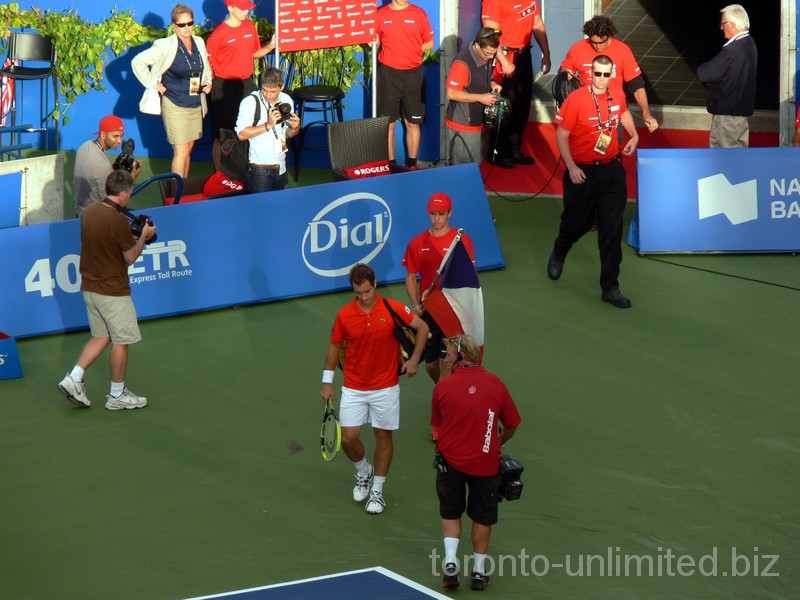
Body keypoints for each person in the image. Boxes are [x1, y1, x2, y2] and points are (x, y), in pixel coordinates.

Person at [320, 263, 429, 515]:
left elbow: (422, 328)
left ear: (375, 284)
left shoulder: (392, 307)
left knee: (383, 437)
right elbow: (334, 347)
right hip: (354, 387)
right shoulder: (345, 315)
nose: (364, 297)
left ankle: (377, 491)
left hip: (386, 387)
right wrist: (327, 381)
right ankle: (363, 471)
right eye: (358, 293)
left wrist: (413, 360)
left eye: (367, 291)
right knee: (347, 437)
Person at [57, 170, 156, 411]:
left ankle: (74, 378)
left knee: (101, 336)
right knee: (121, 341)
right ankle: (117, 395)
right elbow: (131, 257)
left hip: (90, 287)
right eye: (129, 193)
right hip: (112, 291)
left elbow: (106, 240)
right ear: (123, 194)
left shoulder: (90, 212)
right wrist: (143, 236)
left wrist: (131, 234)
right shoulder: (117, 221)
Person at [546, 55, 639, 308]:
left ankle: (610, 287)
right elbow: (562, 136)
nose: (601, 79)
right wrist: (572, 167)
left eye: (606, 75)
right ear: (590, 74)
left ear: (611, 75)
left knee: (611, 230)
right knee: (577, 223)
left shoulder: (616, 93)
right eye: (597, 74)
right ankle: (560, 248)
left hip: (611, 171)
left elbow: (623, 113)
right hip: (582, 173)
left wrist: (635, 134)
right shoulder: (576, 100)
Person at [432, 334, 521, 591]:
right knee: (482, 516)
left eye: (448, 353)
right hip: (485, 462)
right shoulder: (496, 384)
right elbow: (512, 423)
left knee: (451, 510)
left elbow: (438, 423)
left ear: (461, 356)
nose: (445, 358)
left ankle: (450, 563)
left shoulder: (443, 387)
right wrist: (499, 441)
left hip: (450, 461)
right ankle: (479, 573)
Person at [132, 3, 212, 178]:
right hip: (175, 103)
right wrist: (153, 83)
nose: (187, 28)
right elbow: (137, 62)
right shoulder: (164, 45)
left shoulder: (198, 41)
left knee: (189, 147)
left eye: (190, 23)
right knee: (181, 149)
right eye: (182, 25)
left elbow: (206, 67)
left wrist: (208, 81)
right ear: (174, 26)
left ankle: (183, 187)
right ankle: (176, 191)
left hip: (195, 102)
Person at [403, 192, 475, 385]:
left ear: (450, 213)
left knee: (448, 360)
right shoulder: (417, 243)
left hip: (453, 311)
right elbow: (410, 277)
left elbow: (467, 278)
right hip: (428, 311)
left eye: (441, 214)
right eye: (433, 213)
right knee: (431, 365)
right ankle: (442, 387)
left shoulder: (462, 242)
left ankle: (446, 395)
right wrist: (414, 303)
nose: (436, 218)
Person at [206, 0, 275, 171]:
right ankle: (219, 175)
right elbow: (209, 64)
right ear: (230, 8)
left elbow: (254, 53)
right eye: (242, 8)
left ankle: (245, 171)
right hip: (223, 87)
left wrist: (270, 46)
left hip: (246, 85)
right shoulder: (218, 35)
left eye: (248, 8)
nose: (246, 11)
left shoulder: (250, 27)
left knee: (247, 129)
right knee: (221, 134)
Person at [481, 0, 551, 168]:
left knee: (522, 105)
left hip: (524, 55)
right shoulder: (493, 2)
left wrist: (546, 54)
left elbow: (537, 23)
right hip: (504, 57)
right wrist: (504, 61)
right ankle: (497, 153)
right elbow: (490, 34)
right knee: (503, 107)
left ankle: (514, 150)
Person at [560, 15, 658, 133]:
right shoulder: (577, 49)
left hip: (613, 109)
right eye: (594, 42)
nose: (598, 46)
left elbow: (636, 84)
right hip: (585, 108)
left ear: (609, 35)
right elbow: (564, 69)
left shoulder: (622, 50)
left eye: (602, 42)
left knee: (613, 147)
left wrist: (646, 113)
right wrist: (566, 72)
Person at [376, 0, 435, 169]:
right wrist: (372, 42)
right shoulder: (380, 14)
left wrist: (412, 50)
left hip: (413, 75)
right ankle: (391, 165)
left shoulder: (419, 13)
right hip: (388, 75)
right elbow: (375, 42)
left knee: (412, 123)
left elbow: (430, 42)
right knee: (388, 124)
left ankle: (412, 165)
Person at [696, 4, 757, 148]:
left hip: (727, 118)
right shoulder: (750, 44)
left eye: (723, 24)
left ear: (733, 24)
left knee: (723, 161)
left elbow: (703, 74)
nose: (721, 27)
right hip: (741, 116)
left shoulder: (732, 50)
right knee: (738, 158)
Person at [235, 68, 301, 193]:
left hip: (281, 168)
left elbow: (289, 134)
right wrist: (268, 125)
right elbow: (241, 134)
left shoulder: (286, 100)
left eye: (273, 91)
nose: (268, 95)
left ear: (281, 88)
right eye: (265, 90)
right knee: (260, 211)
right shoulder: (250, 102)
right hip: (259, 170)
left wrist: (295, 127)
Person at [445, 28, 503, 165]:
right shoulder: (462, 64)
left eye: (493, 54)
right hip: (463, 125)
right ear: (477, 45)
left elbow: (482, 74)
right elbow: (451, 93)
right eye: (488, 53)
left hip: (477, 123)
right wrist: (481, 98)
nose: (491, 57)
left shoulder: (485, 55)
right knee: (465, 170)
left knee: (475, 164)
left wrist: (492, 83)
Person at [73, 115, 142, 218]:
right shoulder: (102, 164)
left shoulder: (85, 146)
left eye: (121, 136)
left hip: (81, 212)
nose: (119, 140)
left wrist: (115, 166)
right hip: (97, 218)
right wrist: (132, 178)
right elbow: (113, 204)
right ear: (103, 135)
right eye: (115, 136)